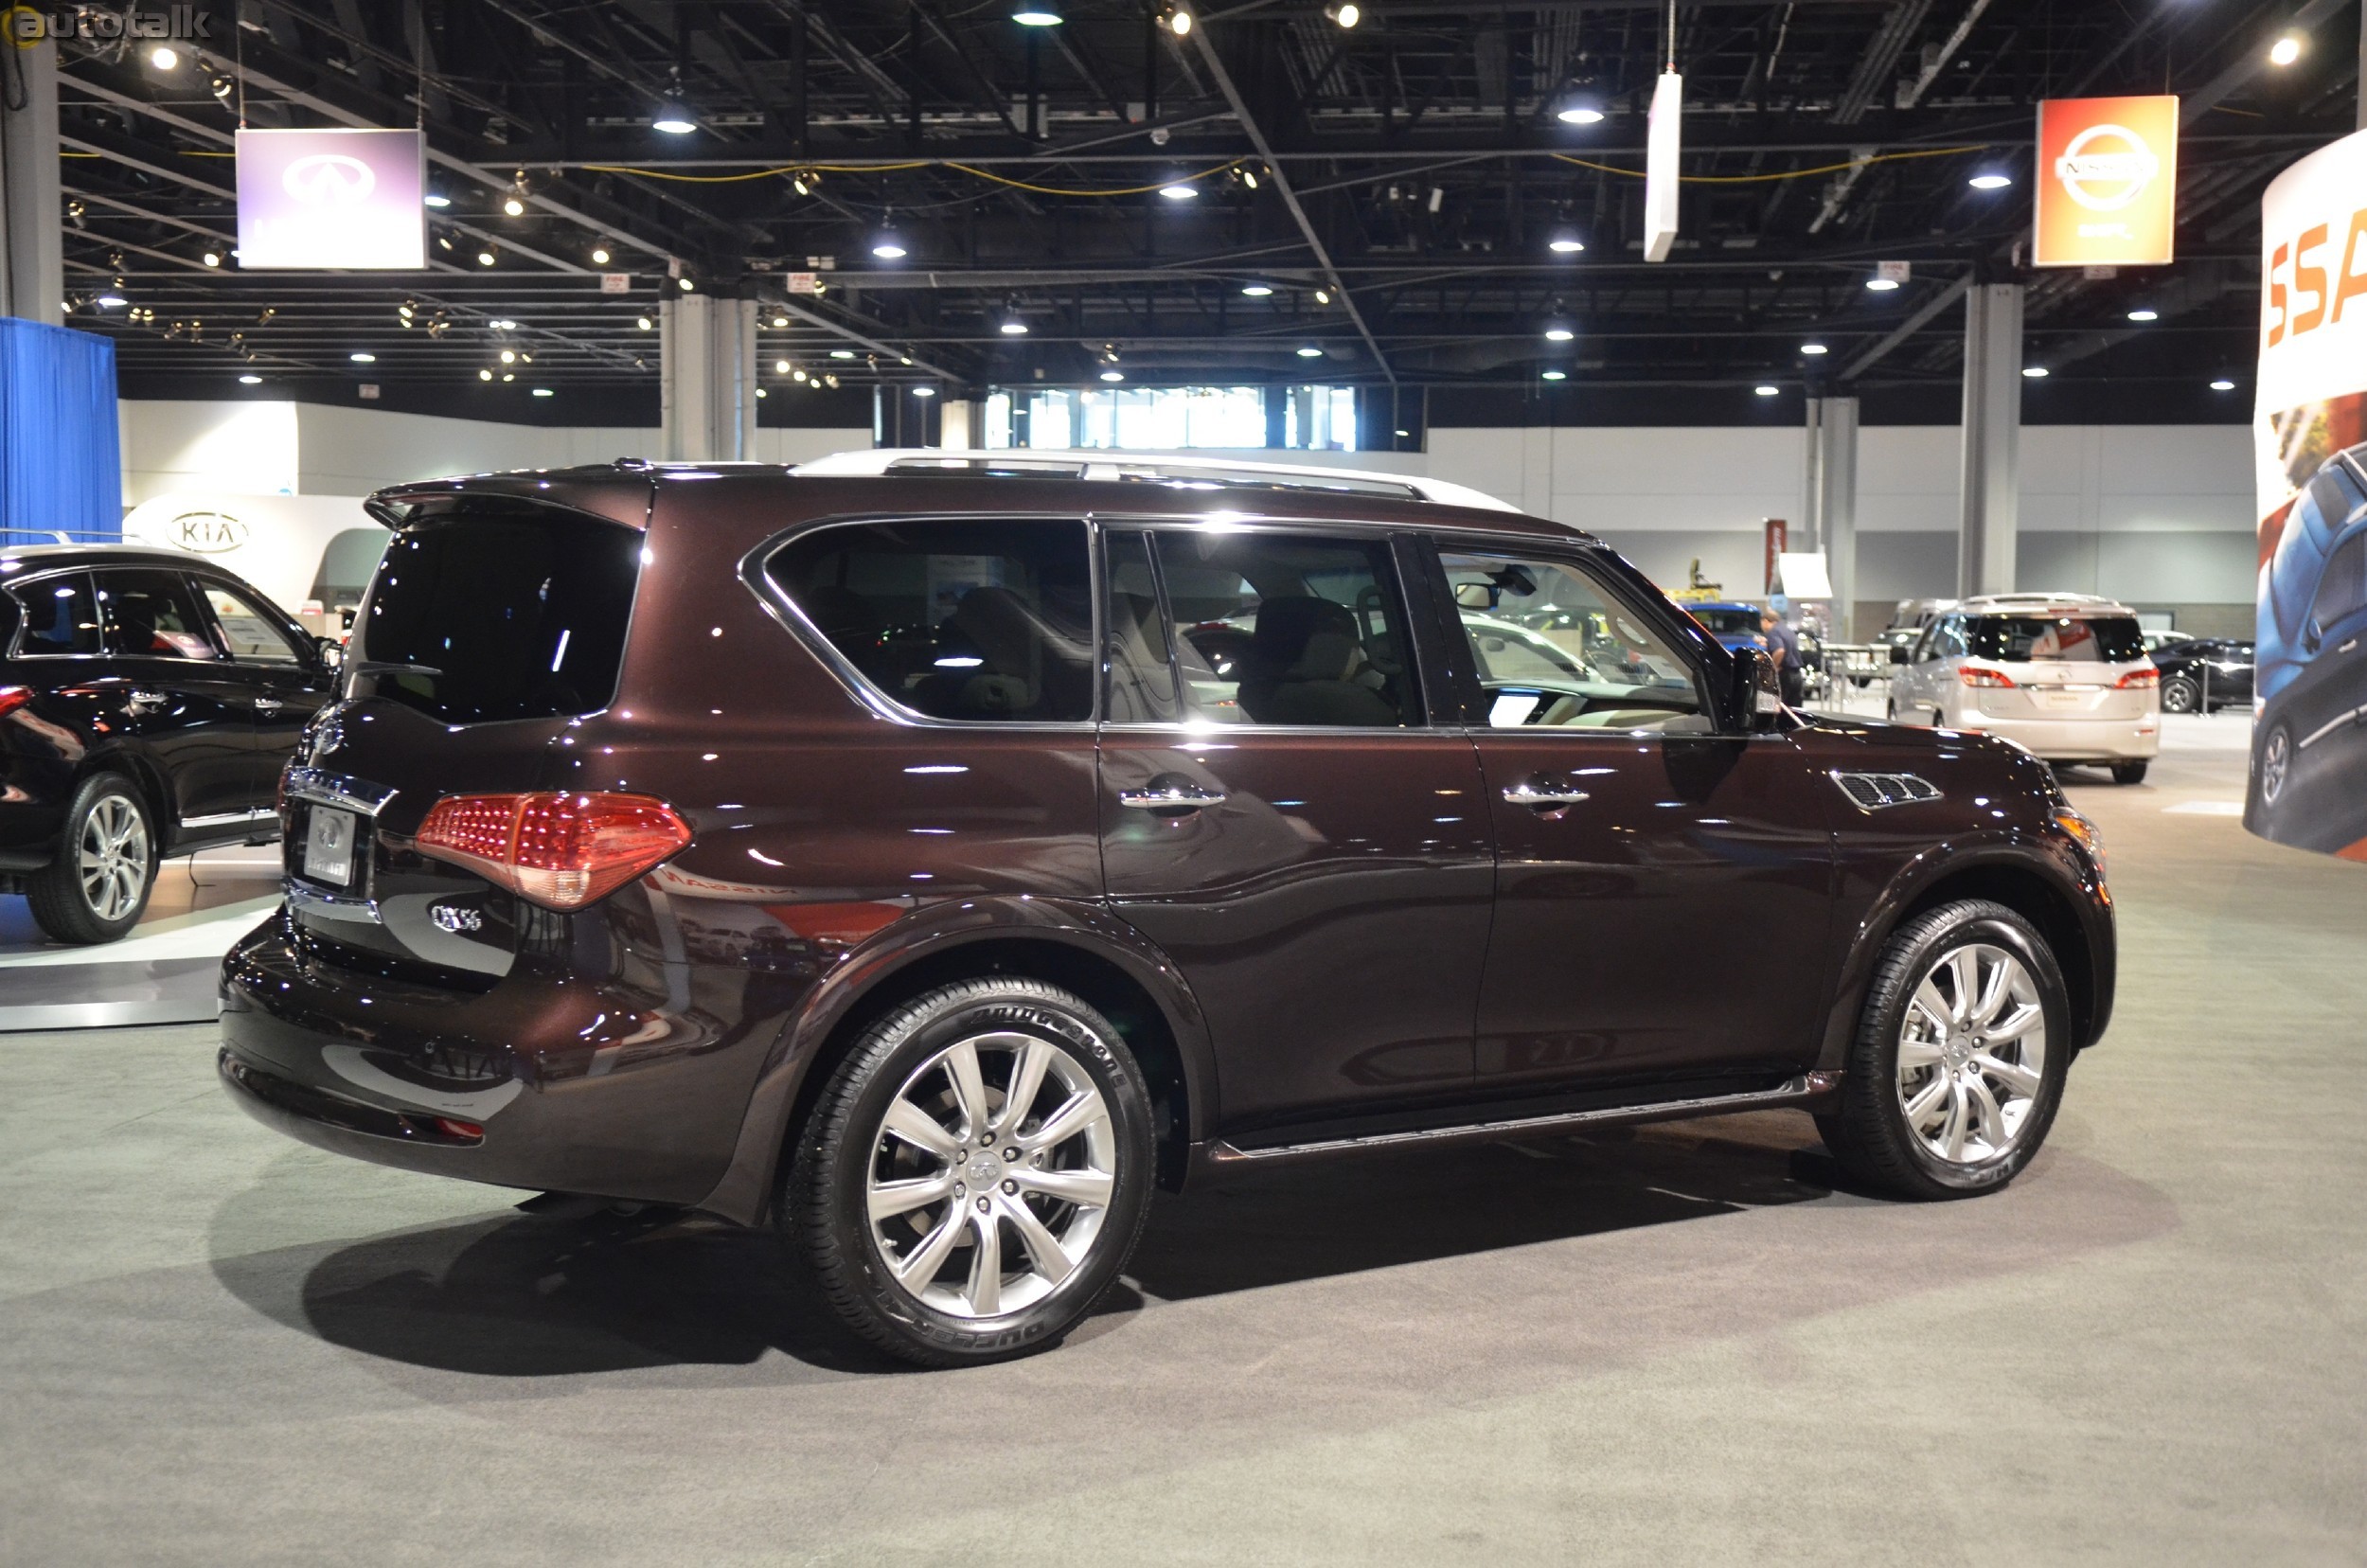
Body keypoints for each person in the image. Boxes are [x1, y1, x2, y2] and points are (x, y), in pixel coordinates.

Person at [1759, 605, 1806, 706]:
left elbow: (1780, 650)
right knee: (1794, 710)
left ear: (1766, 621)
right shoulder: (1788, 631)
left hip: (1784, 676)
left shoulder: (1773, 632)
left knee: (1780, 707)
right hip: (1797, 675)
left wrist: (1773, 668)